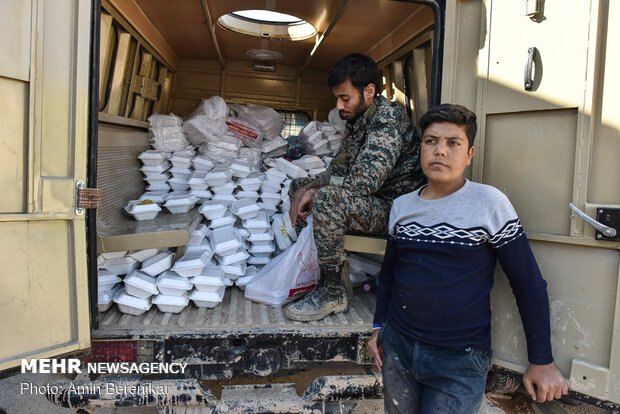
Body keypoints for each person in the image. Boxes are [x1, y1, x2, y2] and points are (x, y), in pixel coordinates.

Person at [368, 104, 568, 413]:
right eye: (431, 141)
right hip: (399, 349)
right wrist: (379, 325)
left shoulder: (489, 203)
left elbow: (527, 283)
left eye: (453, 143)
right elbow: (390, 272)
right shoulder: (402, 207)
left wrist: (541, 360)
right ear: (421, 148)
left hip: (459, 359)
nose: (440, 151)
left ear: (469, 154)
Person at [285, 53, 425, 322]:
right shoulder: (357, 119)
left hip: (394, 208)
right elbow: (338, 168)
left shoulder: (387, 120)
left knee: (326, 198)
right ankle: (311, 268)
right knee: (299, 185)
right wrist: (307, 188)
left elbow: (364, 182)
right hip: (370, 200)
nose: (338, 105)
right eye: (337, 97)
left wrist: (316, 191)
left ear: (369, 91)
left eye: (344, 97)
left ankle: (332, 291)